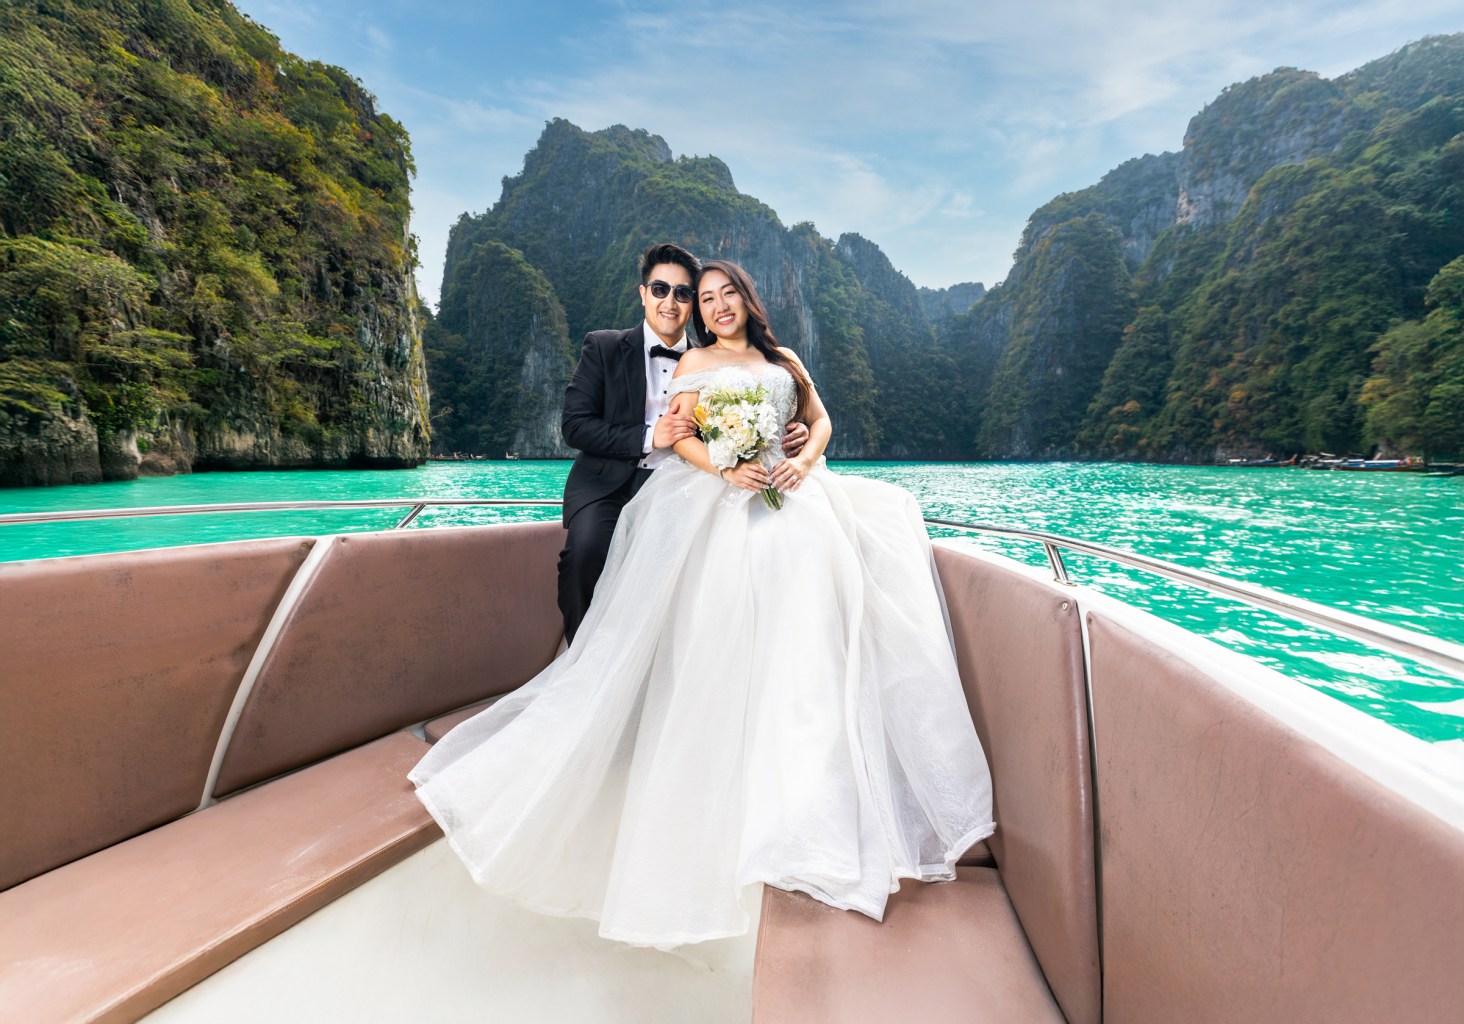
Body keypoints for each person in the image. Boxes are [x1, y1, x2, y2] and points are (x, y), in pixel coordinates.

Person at [411, 259, 995, 950]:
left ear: (747, 300)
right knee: (728, 606)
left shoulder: (784, 357)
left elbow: (820, 419)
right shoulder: (691, 364)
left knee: (829, 568)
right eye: (705, 298)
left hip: (790, 489)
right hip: (723, 494)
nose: (715, 307)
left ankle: (816, 790)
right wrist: (725, 465)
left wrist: (801, 463)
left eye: (724, 296)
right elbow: (682, 435)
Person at [556, 242, 808, 643]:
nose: (670, 302)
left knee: (702, 567)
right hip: (609, 485)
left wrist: (797, 428)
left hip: (684, 482)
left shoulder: (711, 358)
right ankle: (582, 666)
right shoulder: (602, 346)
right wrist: (647, 436)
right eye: (660, 289)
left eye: (683, 293)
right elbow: (574, 426)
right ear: (643, 294)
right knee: (584, 555)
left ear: (693, 305)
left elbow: (762, 404)